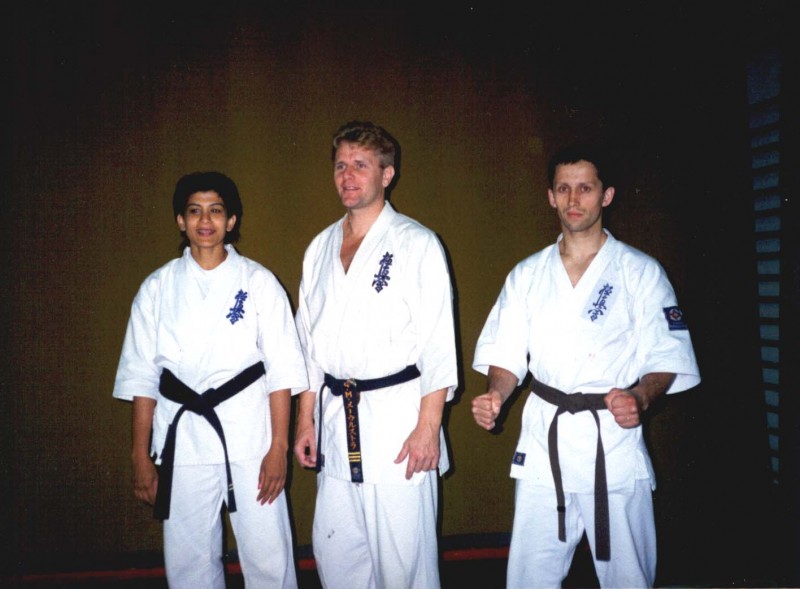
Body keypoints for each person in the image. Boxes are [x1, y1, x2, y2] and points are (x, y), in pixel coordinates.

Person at [471, 145, 700, 588]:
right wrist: (496, 393)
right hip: (545, 441)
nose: (573, 199)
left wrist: (640, 397)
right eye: (563, 189)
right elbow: (505, 353)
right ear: (550, 197)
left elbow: (666, 355)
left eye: (585, 188)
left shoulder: (640, 271)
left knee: (628, 576)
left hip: (611, 440)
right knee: (528, 577)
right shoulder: (527, 274)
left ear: (606, 195)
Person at [112, 171, 308, 589]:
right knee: (189, 563)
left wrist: (277, 447)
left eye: (216, 210)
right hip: (182, 441)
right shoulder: (157, 288)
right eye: (195, 211)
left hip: (250, 439)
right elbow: (142, 377)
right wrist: (139, 455)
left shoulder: (258, 282)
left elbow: (283, 372)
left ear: (231, 220)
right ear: (180, 221)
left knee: (269, 556)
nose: (206, 220)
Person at [293, 121, 458, 589]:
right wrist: (305, 419)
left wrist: (429, 427)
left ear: (387, 174)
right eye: (340, 165)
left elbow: (438, 342)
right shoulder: (319, 248)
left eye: (360, 165)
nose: (347, 175)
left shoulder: (415, 242)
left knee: (405, 566)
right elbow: (307, 344)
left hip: (398, 426)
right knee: (338, 560)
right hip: (334, 422)